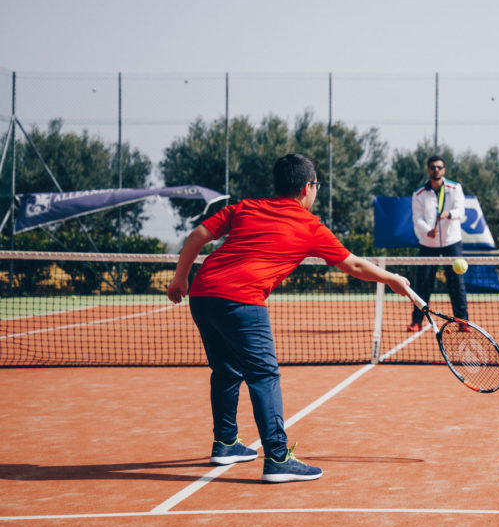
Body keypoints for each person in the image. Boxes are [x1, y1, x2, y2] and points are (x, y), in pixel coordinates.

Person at [167, 153, 413, 483]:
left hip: (203, 294)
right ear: (307, 188)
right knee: (264, 376)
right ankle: (278, 458)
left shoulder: (245, 207)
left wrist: (180, 278)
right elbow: (352, 265)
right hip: (242, 300)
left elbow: (197, 235)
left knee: (225, 370)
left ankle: (226, 443)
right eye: (316, 187)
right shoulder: (309, 225)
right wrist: (391, 278)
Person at [409, 155, 468, 332]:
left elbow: (461, 212)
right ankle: (416, 321)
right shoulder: (419, 193)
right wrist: (428, 230)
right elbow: (417, 218)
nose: (436, 170)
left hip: (452, 241)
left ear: (444, 170)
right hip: (428, 243)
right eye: (433, 167)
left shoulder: (455, 188)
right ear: (428, 169)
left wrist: (448, 214)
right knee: (422, 284)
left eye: (439, 167)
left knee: (456, 283)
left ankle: (462, 321)